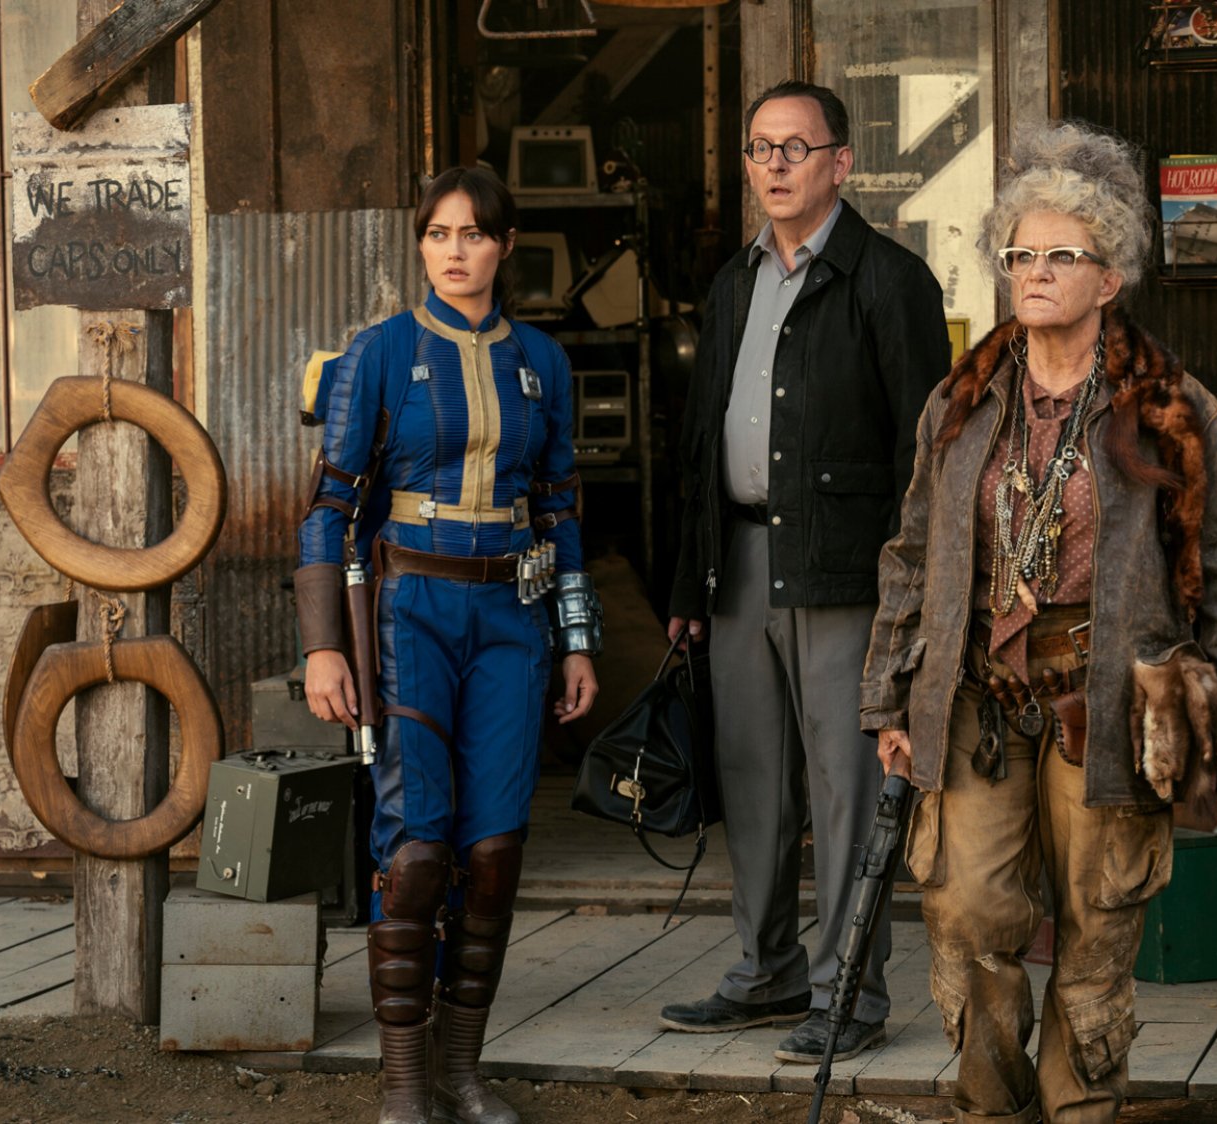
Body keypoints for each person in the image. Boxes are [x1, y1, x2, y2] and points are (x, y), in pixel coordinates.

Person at [859, 122, 1217, 1124]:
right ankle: (993, 1109)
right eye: (1018, 254)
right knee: (966, 914)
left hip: (1108, 701)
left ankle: (1080, 1108)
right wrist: (888, 694)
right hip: (978, 702)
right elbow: (911, 553)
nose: (1033, 272)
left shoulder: (1172, 407)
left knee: (1097, 923)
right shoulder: (957, 403)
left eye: (1060, 256)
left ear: (1111, 275)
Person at [295, 165, 600, 1124]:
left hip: (513, 618)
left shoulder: (543, 362)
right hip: (409, 611)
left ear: (505, 246)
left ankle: (464, 1071)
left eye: (474, 234)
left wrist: (578, 641)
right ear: (420, 245)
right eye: (439, 234)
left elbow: (559, 512)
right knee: (418, 845)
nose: (456, 251)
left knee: (497, 846)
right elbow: (328, 510)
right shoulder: (376, 354)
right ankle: (403, 1086)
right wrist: (321, 647)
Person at [660, 80, 951, 1063]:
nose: (774, 165)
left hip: (843, 572)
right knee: (752, 782)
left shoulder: (889, 279)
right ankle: (765, 970)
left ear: (841, 162)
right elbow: (700, 440)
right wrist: (685, 588)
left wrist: (915, 602)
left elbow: (928, 456)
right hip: (739, 560)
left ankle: (848, 994)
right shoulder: (732, 280)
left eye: (795, 147)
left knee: (843, 790)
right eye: (758, 148)